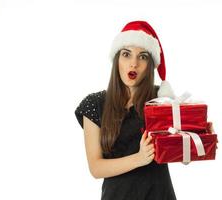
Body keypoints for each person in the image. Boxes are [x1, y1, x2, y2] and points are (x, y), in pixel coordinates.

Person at [75, 20, 176, 200]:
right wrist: (139, 158)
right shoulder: (94, 104)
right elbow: (96, 168)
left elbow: (181, 154)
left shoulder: (161, 99)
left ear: (150, 65)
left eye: (143, 56)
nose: (134, 64)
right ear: (117, 59)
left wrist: (199, 139)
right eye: (126, 54)